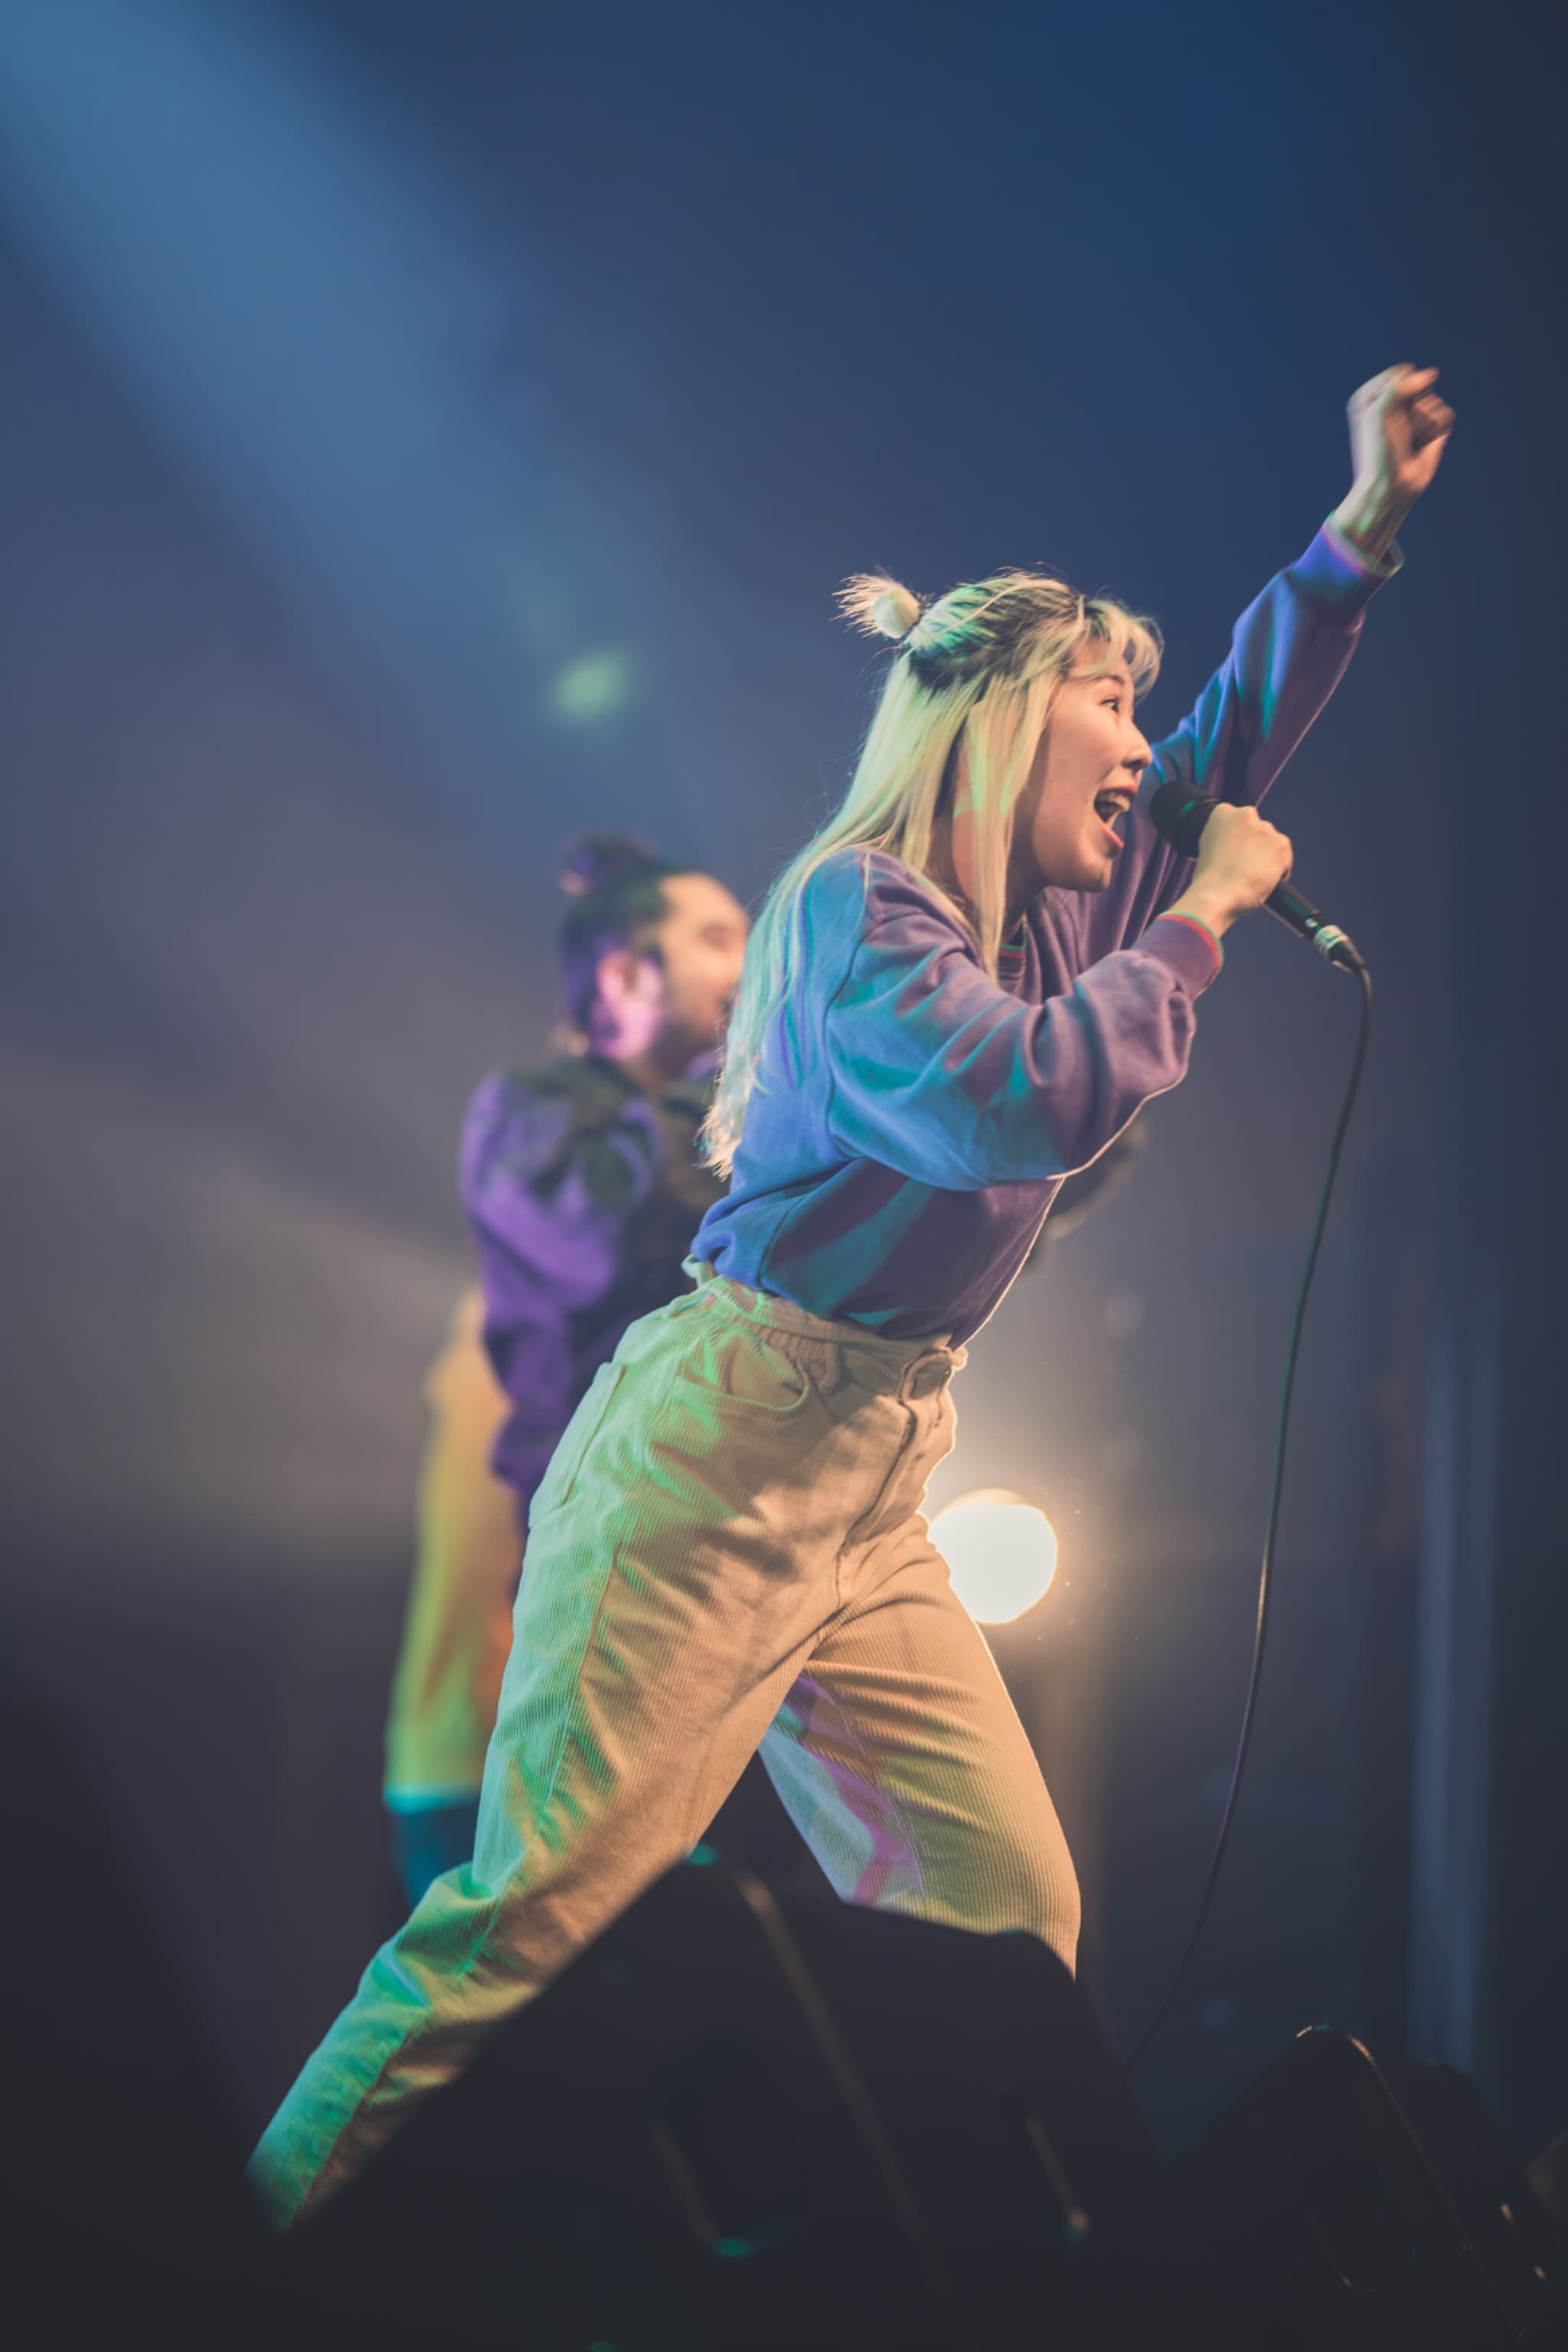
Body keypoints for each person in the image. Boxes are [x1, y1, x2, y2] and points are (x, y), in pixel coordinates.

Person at [251, 363, 1452, 2226]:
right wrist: (1204, 921)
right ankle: (237, 2270)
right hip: (716, 1452)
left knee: (1000, 1918)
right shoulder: (854, 909)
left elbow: (1232, 732)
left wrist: (1357, 529)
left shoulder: (1066, 901)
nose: (1144, 744)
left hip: (875, 1477)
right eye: (1108, 700)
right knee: (532, 1933)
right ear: (998, 722)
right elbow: (1013, 1103)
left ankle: (939, 2274)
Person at [382, 837, 750, 1904]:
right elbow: (608, 1226)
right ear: (627, 976)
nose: (750, 968)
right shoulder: (531, 1115)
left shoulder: (725, 1146)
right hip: (493, 1758)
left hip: (655, 1721)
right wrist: (739, 1085)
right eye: (718, 940)